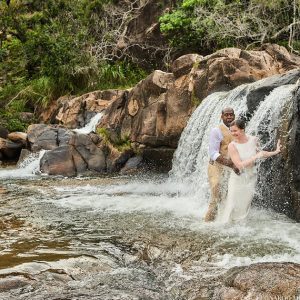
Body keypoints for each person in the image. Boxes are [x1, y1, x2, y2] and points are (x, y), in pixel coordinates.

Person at [217, 119, 281, 223]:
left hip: (251, 177)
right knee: (231, 203)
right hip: (237, 179)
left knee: (244, 205)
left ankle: (239, 228)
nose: (233, 133)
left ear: (242, 130)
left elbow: (261, 153)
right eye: (231, 131)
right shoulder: (232, 146)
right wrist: (256, 157)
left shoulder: (254, 140)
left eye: (235, 131)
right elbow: (239, 165)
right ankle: (225, 226)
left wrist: (275, 151)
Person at [204, 107, 240, 222]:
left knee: (229, 195)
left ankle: (225, 221)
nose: (229, 117)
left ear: (234, 116)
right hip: (216, 166)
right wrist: (231, 164)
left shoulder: (237, 129)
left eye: (231, 115)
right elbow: (213, 153)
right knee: (216, 193)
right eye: (226, 115)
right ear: (222, 116)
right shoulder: (216, 130)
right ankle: (208, 222)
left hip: (231, 167)